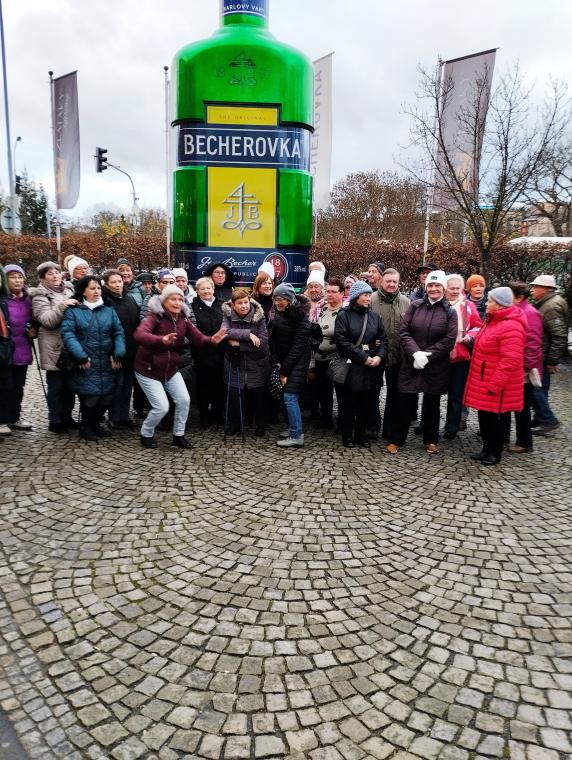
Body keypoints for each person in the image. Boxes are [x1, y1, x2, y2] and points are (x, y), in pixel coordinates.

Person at [134, 285, 226, 448]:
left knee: (184, 400)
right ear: (164, 301)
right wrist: (161, 340)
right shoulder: (154, 317)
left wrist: (212, 340)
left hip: (170, 369)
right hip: (148, 369)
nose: (177, 302)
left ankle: (179, 435)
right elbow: (139, 334)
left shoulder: (183, 319)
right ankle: (146, 433)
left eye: (180, 299)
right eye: (173, 299)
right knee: (161, 407)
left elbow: (198, 338)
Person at [387, 270, 457, 454]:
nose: (433, 289)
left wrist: (427, 356)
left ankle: (430, 439)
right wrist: (416, 353)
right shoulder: (415, 306)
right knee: (404, 401)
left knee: (432, 403)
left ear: (443, 288)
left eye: (437, 285)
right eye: (430, 285)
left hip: (435, 365)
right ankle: (397, 439)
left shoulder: (450, 312)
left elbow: (449, 340)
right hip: (411, 362)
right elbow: (404, 332)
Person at [464, 287, 526, 465]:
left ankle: (494, 452)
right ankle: (486, 449)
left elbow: (510, 360)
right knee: (485, 417)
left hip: (495, 384)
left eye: (490, 301)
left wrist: (495, 385)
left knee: (495, 420)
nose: (486, 303)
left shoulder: (511, 326)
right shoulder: (492, 320)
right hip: (484, 379)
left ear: (499, 304)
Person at [61, 275, 126, 442]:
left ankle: (95, 423)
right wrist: (80, 356)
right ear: (83, 291)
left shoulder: (108, 310)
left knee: (107, 397)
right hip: (86, 361)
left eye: (98, 288)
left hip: (106, 361)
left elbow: (118, 332)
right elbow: (68, 335)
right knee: (91, 397)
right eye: (92, 288)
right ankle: (86, 427)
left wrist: (118, 352)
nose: (97, 291)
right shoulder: (74, 311)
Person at [334, 281, 388, 448]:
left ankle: (360, 435)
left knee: (365, 403)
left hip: (370, 368)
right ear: (356, 296)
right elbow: (342, 342)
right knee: (348, 404)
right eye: (365, 295)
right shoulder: (343, 316)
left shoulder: (374, 317)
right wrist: (364, 357)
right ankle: (347, 435)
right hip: (351, 367)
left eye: (369, 295)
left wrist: (379, 356)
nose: (368, 298)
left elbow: (383, 340)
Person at [30, 262, 78, 433]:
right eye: (50, 274)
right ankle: (55, 420)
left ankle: (67, 417)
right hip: (54, 347)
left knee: (70, 387)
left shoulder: (69, 289)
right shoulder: (39, 295)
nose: (55, 276)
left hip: (71, 345)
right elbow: (47, 321)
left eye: (57, 272)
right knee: (56, 387)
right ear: (42, 278)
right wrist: (63, 305)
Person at [221, 289, 269, 436]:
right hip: (235, 362)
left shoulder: (259, 316)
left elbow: (263, 342)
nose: (244, 306)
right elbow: (224, 332)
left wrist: (239, 344)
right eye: (240, 303)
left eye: (246, 302)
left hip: (257, 363)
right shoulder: (227, 315)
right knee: (235, 395)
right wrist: (248, 335)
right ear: (233, 305)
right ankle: (235, 424)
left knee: (259, 397)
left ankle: (261, 425)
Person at [503, 281, 544, 454]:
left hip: (522, 370)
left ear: (519, 297)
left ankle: (525, 441)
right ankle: (504, 435)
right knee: (508, 403)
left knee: (521, 406)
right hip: (514, 366)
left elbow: (532, 344)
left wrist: (525, 367)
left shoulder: (529, 313)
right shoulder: (516, 310)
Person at [370, 268, 410, 440]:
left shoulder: (406, 302)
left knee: (394, 394)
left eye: (395, 281)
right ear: (381, 282)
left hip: (397, 355)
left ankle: (389, 428)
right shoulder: (371, 300)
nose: (392, 284)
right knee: (372, 391)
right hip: (375, 355)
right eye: (388, 281)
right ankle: (372, 426)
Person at [270, 283, 311, 448]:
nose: (278, 302)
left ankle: (296, 435)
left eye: (282, 299)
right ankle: (292, 428)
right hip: (285, 363)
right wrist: (276, 362)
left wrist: (284, 371)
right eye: (276, 299)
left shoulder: (301, 318)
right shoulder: (281, 314)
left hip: (297, 364)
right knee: (285, 396)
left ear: (290, 300)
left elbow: (297, 348)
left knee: (290, 397)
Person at [442, 274, 482, 439]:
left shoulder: (468, 306)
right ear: (445, 289)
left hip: (460, 356)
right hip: (439, 356)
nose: (454, 291)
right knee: (432, 393)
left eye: (457, 288)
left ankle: (452, 427)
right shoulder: (440, 304)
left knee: (456, 394)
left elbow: (478, 326)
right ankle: (427, 424)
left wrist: (469, 337)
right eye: (451, 288)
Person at [529, 274, 569, 435]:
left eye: (535, 287)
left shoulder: (551, 306)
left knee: (535, 388)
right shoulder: (548, 303)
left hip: (544, 356)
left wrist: (552, 361)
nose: (532, 290)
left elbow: (559, 336)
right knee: (540, 387)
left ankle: (547, 419)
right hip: (543, 354)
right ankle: (541, 418)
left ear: (546, 289)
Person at [102, 269, 141, 427]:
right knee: (116, 385)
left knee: (127, 385)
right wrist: (112, 353)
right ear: (106, 284)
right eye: (113, 282)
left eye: (119, 281)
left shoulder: (128, 298)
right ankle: (114, 416)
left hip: (131, 349)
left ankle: (124, 415)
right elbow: (105, 330)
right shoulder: (105, 301)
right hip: (115, 351)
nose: (118, 285)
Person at [0, 265, 35, 434]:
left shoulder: (28, 300)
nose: (17, 280)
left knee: (18, 387)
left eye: (20, 277)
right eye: (13, 277)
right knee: (4, 387)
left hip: (22, 350)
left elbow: (33, 322)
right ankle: (2, 420)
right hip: (5, 351)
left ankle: (14, 417)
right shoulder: (3, 300)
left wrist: (33, 331)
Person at [192, 277, 226, 427]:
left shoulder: (222, 306)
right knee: (203, 387)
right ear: (197, 291)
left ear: (213, 289)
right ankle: (204, 415)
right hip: (202, 354)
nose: (206, 291)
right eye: (202, 289)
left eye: (208, 288)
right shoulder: (193, 307)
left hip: (221, 353)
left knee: (219, 386)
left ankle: (217, 414)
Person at [313, 277, 345, 429]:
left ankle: (342, 421)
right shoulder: (321, 309)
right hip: (320, 357)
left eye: (333, 291)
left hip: (337, 358)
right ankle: (326, 418)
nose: (329, 294)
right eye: (328, 291)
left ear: (342, 293)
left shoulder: (345, 311)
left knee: (341, 391)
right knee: (323, 390)